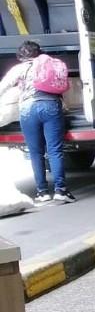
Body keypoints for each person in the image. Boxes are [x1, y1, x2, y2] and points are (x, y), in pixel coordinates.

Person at [0, 41, 75, 204]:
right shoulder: (49, 64)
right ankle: (61, 190)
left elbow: (2, 87)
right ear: (39, 52)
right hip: (51, 106)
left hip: (28, 109)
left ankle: (42, 192)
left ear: (20, 56)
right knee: (55, 150)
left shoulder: (18, 69)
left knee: (35, 152)